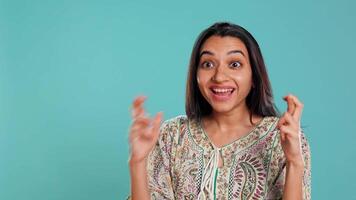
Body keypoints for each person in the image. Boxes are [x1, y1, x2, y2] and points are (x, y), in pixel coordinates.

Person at [127, 22, 311, 200]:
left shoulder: (282, 138)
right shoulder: (172, 136)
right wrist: (137, 162)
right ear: (196, 74)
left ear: (254, 75)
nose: (219, 77)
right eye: (208, 64)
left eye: (235, 64)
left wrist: (294, 162)